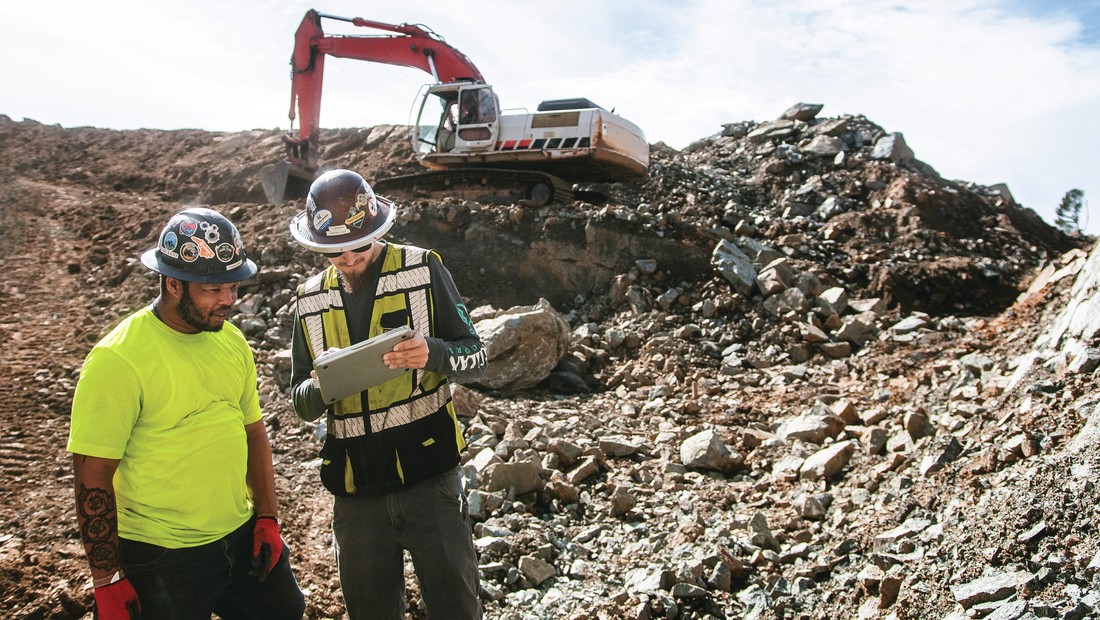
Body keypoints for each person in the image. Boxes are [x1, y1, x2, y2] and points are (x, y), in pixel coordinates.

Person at [68, 207, 306, 620]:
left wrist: (267, 516)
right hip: (163, 556)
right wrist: (106, 577)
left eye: (233, 287)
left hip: (239, 532)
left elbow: (253, 432)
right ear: (173, 283)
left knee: (285, 610)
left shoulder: (230, 341)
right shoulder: (117, 360)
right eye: (214, 290)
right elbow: (92, 474)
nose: (229, 300)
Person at [288, 169, 487, 620]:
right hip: (356, 494)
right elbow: (299, 401)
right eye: (333, 250)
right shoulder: (309, 298)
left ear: (378, 229)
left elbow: (476, 355)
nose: (347, 258)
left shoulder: (422, 266)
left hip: (431, 482)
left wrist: (431, 353)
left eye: (358, 245)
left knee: (456, 607)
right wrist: (322, 385)